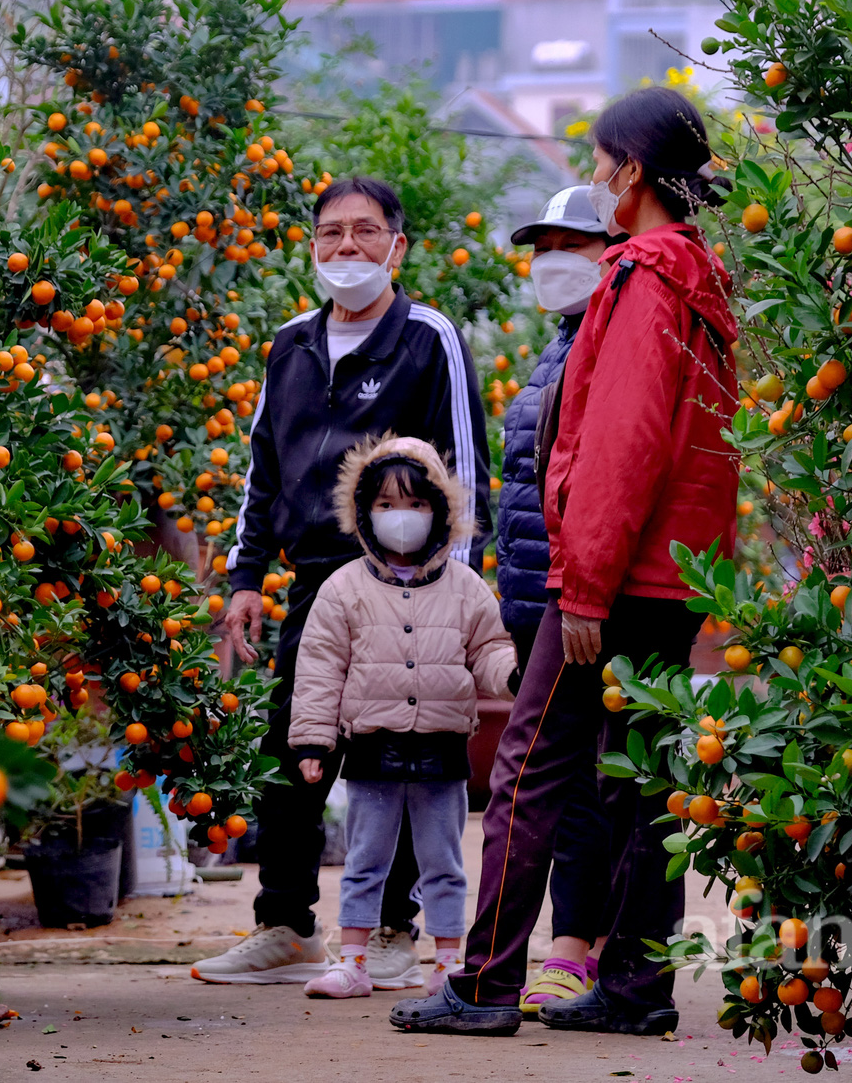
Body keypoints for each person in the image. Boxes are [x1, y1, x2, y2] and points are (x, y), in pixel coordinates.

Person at [390, 86, 740, 1036]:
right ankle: (634, 989)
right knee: (637, 780)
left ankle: (486, 983)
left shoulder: (640, 277)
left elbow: (624, 444)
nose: (594, 179)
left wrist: (583, 585)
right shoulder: (704, 282)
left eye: (598, 164)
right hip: (676, 577)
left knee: (529, 768)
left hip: (614, 576)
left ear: (630, 173)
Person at [191, 175, 494, 989]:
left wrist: (453, 597)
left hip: (409, 580)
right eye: (331, 234)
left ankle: (395, 929)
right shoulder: (290, 343)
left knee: (400, 752)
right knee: (294, 743)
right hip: (315, 583)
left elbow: (467, 469)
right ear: (313, 247)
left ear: (397, 246)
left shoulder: (428, 338)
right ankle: (286, 926)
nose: (347, 247)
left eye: (365, 232)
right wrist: (246, 575)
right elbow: (263, 468)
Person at [287, 435, 515, 1000]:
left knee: (443, 862)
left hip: (442, 748)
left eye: (415, 504)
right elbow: (319, 666)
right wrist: (313, 743)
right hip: (371, 746)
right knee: (365, 859)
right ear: (364, 513)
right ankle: (355, 962)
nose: (402, 518)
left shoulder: (466, 588)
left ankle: (445, 966)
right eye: (386, 505)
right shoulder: (343, 588)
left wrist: (512, 673)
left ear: (440, 511)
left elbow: (489, 648)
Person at [495, 185, 617, 1015]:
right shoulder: (561, 345)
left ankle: (577, 945)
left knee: (576, 777)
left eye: (573, 245)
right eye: (542, 248)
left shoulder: (607, 343)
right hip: (535, 591)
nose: (552, 263)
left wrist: (579, 588)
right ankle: (574, 946)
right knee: (567, 778)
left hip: (579, 593)